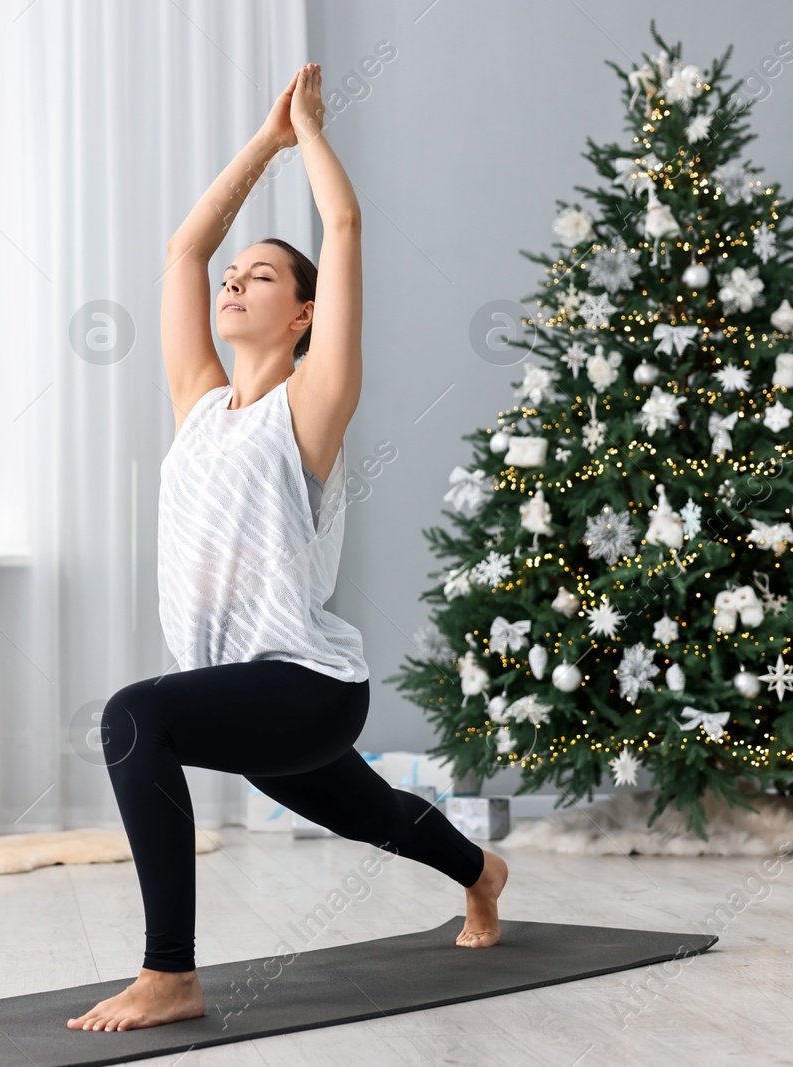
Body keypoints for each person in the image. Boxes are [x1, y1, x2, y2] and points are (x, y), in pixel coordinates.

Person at [67, 63, 508, 1034]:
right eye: (235, 276)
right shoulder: (200, 405)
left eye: (259, 274)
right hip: (242, 686)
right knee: (375, 815)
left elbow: (342, 233)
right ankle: (483, 871)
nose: (232, 281)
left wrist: (309, 133)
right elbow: (186, 250)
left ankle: (169, 972)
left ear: (303, 313)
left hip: (304, 681)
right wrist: (259, 146)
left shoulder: (309, 408)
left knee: (134, 716)